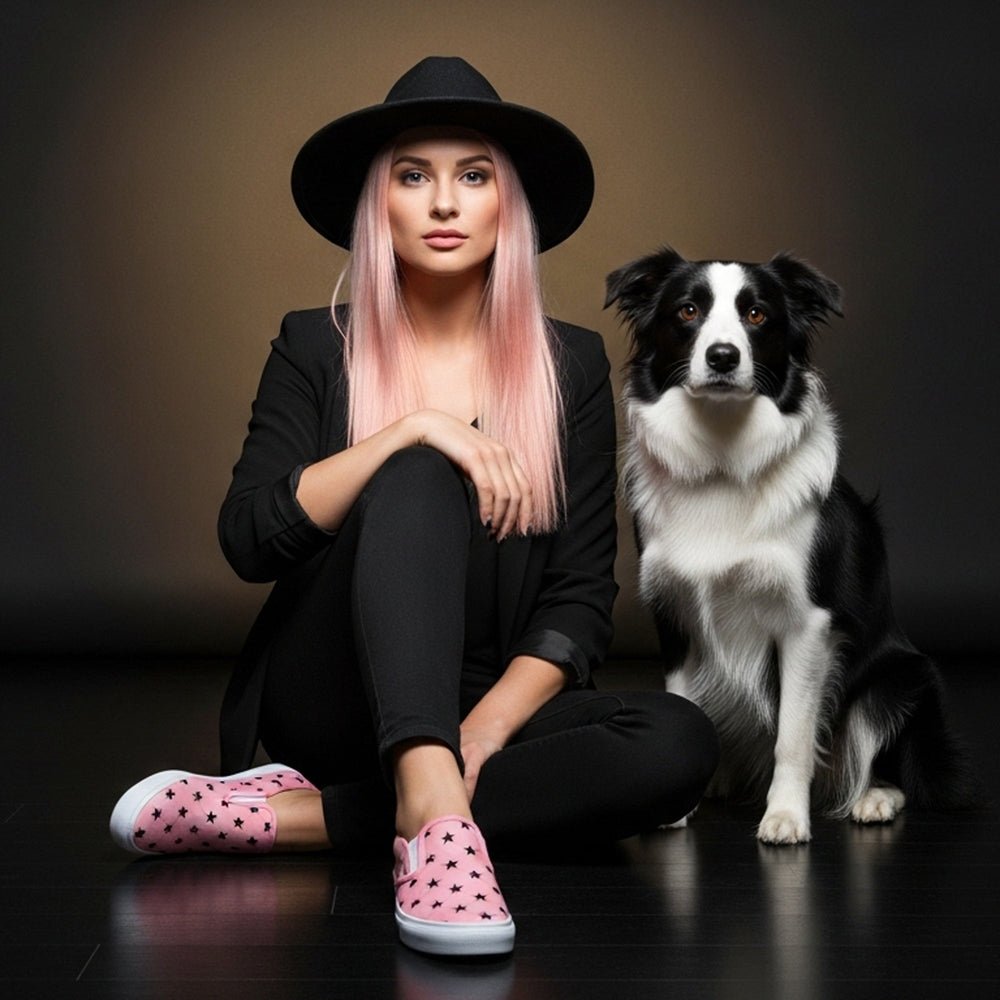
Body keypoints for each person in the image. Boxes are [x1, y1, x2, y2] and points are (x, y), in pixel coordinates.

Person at [109, 56, 718, 958]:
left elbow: (580, 601)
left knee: (675, 743)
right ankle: (433, 833)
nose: (443, 203)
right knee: (420, 469)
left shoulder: (573, 367)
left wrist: (480, 732)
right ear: (378, 205)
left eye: (473, 177)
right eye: (413, 177)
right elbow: (248, 536)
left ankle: (300, 819)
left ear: (507, 205)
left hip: (479, 700)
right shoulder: (314, 345)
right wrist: (410, 432)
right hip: (333, 694)